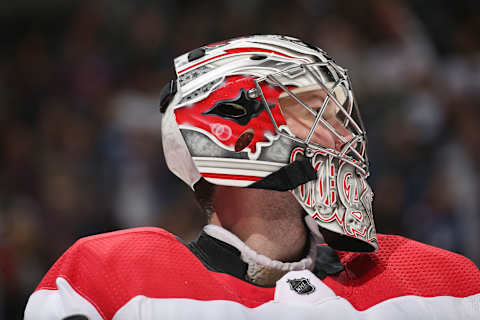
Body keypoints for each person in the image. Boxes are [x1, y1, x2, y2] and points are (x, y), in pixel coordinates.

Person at [24, 35, 480, 320]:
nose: (343, 134)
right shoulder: (111, 279)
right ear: (230, 134)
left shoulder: (440, 282)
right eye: (312, 110)